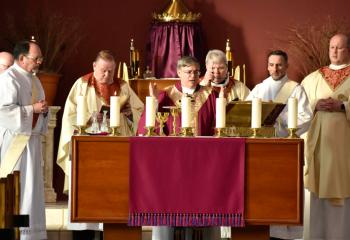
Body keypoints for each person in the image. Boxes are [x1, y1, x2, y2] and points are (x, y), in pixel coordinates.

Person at [56, 50, 144, 239]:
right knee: (86, 201)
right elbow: (70, 116)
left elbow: (140, 112)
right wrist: (88, 119)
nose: (107, 75)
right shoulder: (81, 85)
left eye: (111, 71)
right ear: (94, 66)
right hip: (87, 154)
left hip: (115, 153)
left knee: (112, 202)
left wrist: (129, 113)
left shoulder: (122, 86)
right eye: (103, 70)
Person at [137, 56, 219, 240]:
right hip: (172, 165)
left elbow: (218, 127)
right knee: (171, 208)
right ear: (179, 73)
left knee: (203, 208)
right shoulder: (166, 95)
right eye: (188, 72)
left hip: (203, 164)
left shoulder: (211, 95)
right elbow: (150, 129)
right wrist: (153, 103)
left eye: (196, 72)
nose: (193, 75)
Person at [301, 33, 350, 240]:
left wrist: (344, 106)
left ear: (348, 50)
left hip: (344, 153)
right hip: (320, 150)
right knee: (316, 198)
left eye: (339, 47)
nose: (334, 51)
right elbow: (299, 109)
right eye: (331, 47)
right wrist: (314, 106)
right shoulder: (313, 78)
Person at [0, 40, 48, 239]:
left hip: (32, 144)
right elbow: (3, 111)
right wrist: (33, 110)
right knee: (18, 190)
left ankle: (32, 234)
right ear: (21, 58)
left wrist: (43, 111)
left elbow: (39, 109)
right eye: (35, 58)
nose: (39, 62)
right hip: (16, 145)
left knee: (32, 191)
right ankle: (16, 232)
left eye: (39, 58)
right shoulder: (8, 78)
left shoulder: (34, 79)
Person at [246, 50, 312, 138]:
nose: (275, 69)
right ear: (268, 67)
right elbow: (247, 113)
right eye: (271, 65)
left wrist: (280, 116)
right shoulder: (259, 89)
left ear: (286, 66)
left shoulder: (296, 89)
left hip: (286, 140)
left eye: (279, 65)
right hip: (261, 139)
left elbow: (306, 117)